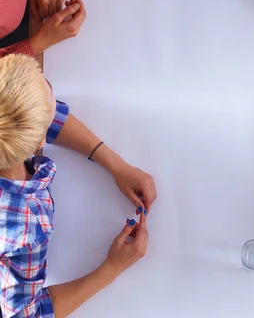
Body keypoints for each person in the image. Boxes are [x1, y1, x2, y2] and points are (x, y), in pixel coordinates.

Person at [0, 53, 157, 317]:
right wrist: (110, 269)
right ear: (40, 140)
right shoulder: (24, 229)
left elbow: (22, 115)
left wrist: (115, 164)